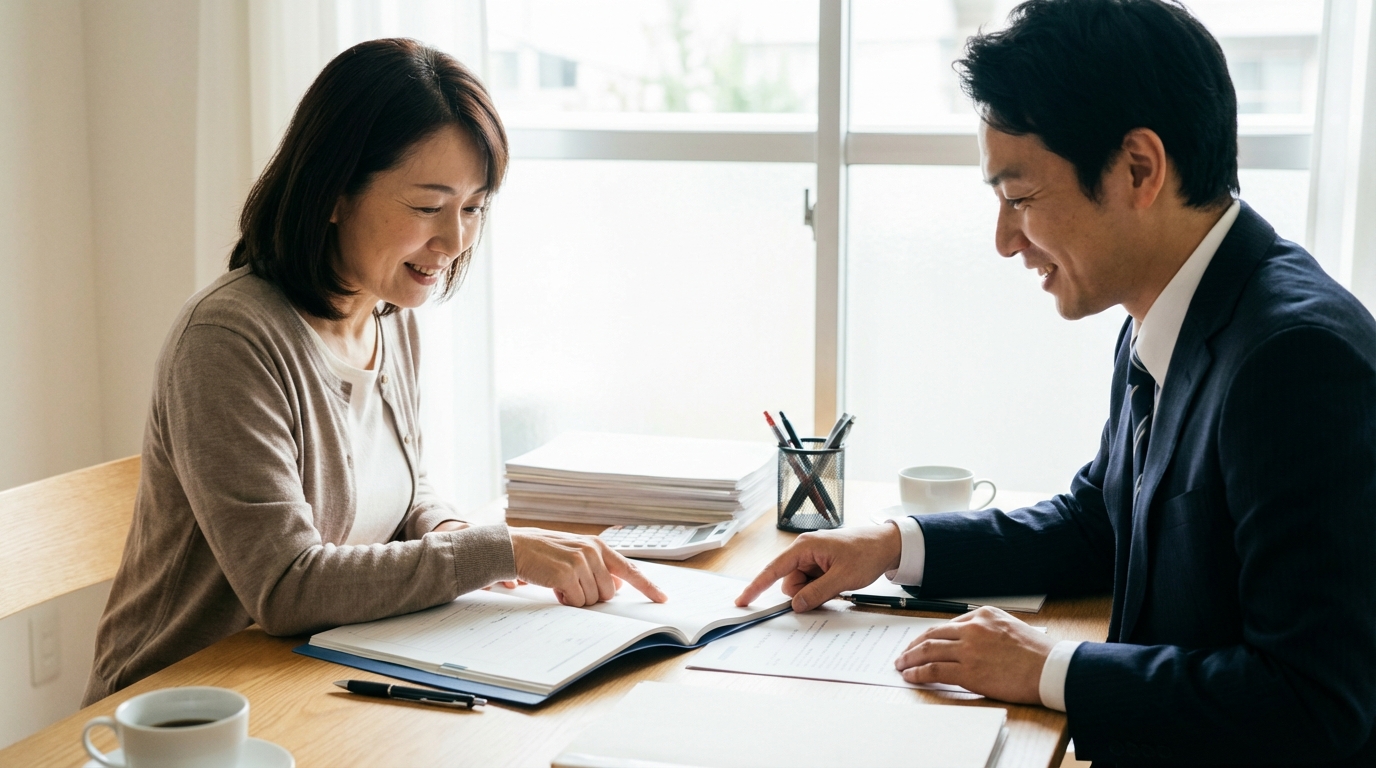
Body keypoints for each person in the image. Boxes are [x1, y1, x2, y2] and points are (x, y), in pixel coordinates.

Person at [736, 1, 1376, 764]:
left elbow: (1314, 704)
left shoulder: (1296, 359)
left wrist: (1049, 669)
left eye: (1020, 199)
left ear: (1139, 169)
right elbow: (1098, 523)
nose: (1005, 241)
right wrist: (890, 544)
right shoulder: (1168, 308)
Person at [85, 38, 665, 706]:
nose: (455, 241)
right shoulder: (227, 341)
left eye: (473, 207)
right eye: (427, 206)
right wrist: (500, 552)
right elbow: (285, 585)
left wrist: (454, 533)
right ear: (334, 193)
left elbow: (401, 497)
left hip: (310, 677)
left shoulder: (387, 315)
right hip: (179, 706)